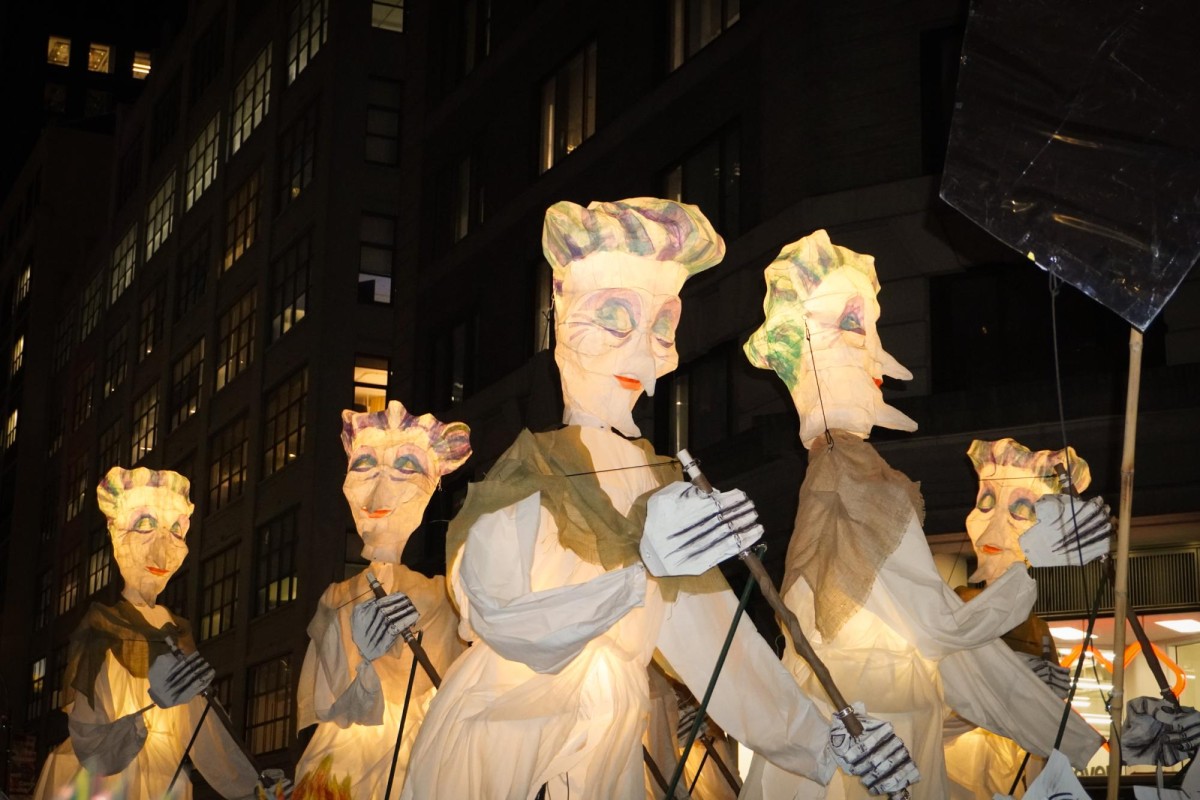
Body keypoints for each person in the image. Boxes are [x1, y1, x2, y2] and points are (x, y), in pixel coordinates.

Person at [401, 199, 916, 799]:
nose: (643, 355)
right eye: (615, 316)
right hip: (508, 736)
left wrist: (822, 741)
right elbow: (500, 616)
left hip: (611, 744)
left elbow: (715, 640)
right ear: (562, 319)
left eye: (662, 326)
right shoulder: (530, 468)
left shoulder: (659, 483)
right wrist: (641, 571)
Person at [739, 230, 1104, 799]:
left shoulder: (832, 474)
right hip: (880, 728)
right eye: (855, 326)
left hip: (853, 722)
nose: (874, 356)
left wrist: (1066, 736)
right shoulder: (853, 476)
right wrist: (1025, 566)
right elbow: (941, 632)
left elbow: (948, 650)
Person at [33, 467, 279, 800]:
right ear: (118, 533)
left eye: (177, 530)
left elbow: (207, 728)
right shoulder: (101, 629)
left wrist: (254, 787)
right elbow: (90, 741)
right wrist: (151, 708)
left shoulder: (179, 633)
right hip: (109, 785)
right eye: (146, 525)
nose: (163, 548)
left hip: (166, 778)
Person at [293, 401, 471, 799]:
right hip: (347, 771)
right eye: (364, 466)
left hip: (417, 763)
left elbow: (459, 696)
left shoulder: (444, 596)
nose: (380, 488)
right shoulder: (336, 599)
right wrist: (367, 666)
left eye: (405, 467)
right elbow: (333, 708)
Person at [945, 438, 1102, 798]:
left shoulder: (1035, 626)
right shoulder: (956, 609)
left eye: (1021, 510)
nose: (995, 525)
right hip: (961, 763)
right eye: (987, 502)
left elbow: (1047, 709)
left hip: (1016, 764)